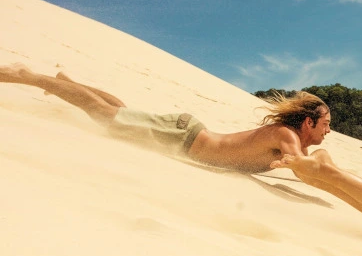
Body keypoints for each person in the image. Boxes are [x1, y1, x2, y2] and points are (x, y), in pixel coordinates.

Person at [0, 63, 330, 173]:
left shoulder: (287, 136)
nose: (328, 132)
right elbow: (303, 167)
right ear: (308, 123)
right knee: (105, 117)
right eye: (326, 125)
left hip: (185, 134)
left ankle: (67, 84)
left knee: (121, 112)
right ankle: (31, 77)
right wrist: (325, 165)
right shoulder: (288, 136)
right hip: (184, 138)